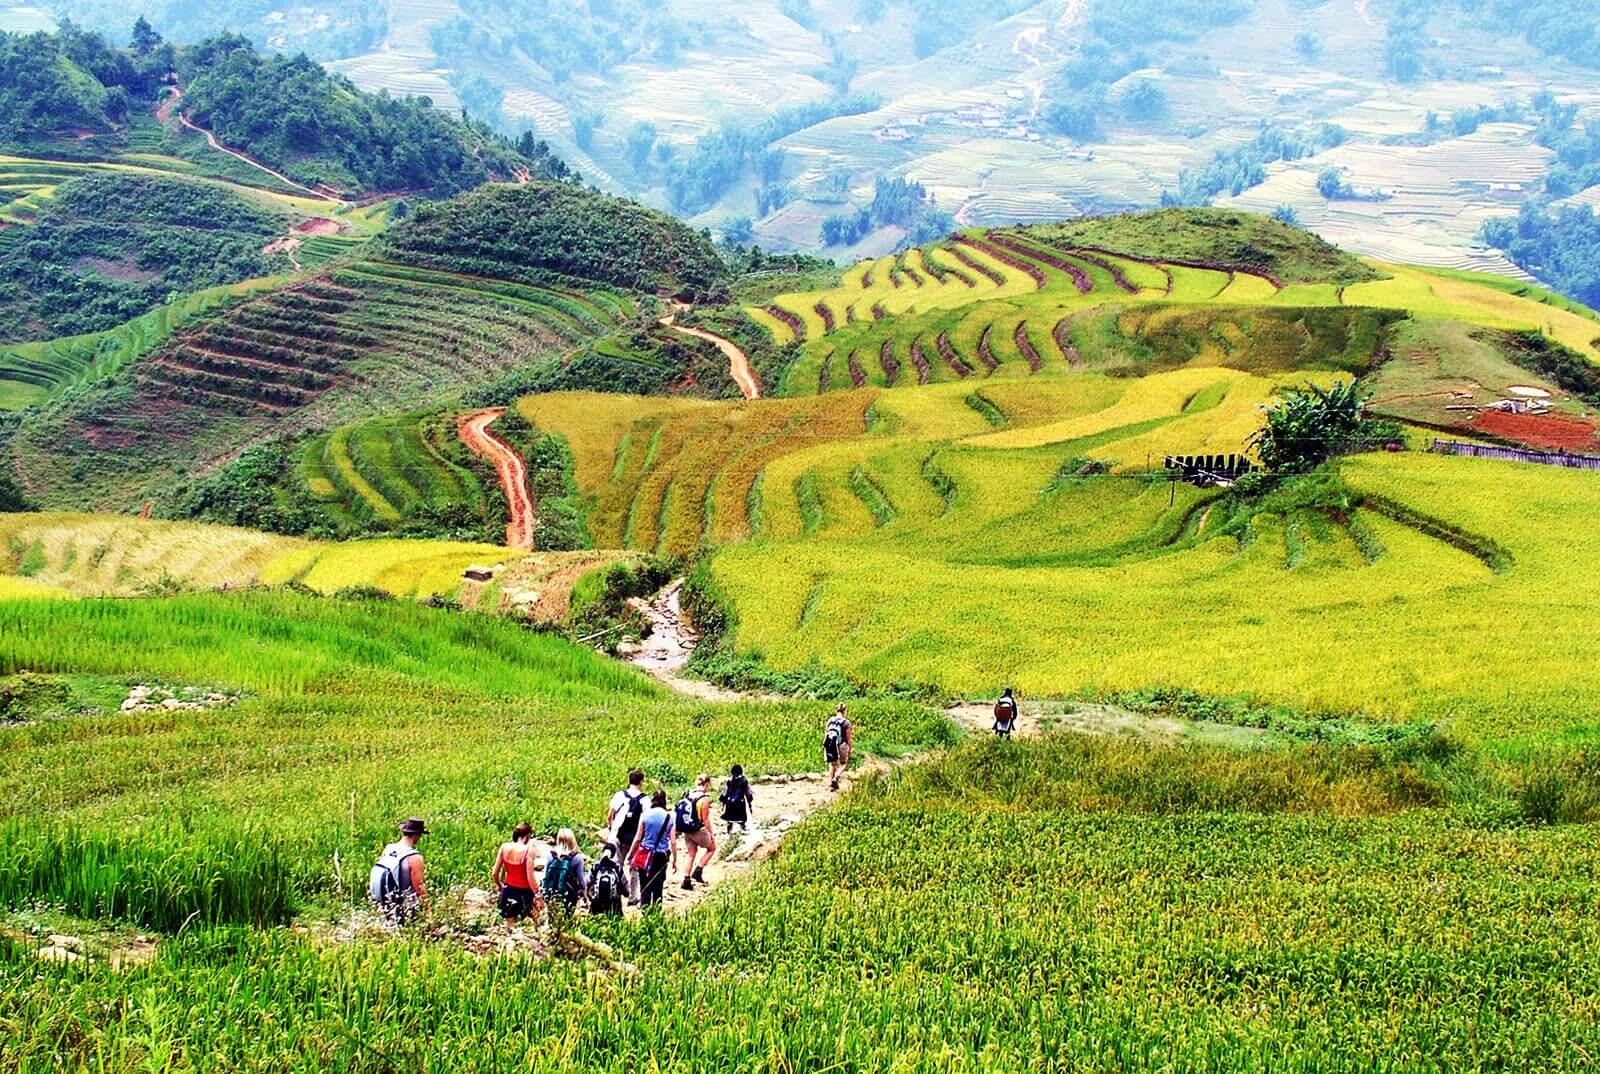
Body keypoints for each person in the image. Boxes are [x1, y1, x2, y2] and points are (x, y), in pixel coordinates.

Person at [368, 817, 428, 924]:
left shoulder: (389, 848)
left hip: (381, 897)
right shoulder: (414, 857)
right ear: (417, 835)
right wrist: (428, 911)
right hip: (400, 901)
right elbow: (418, 887)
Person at [606, 768, 647, 905]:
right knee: (634, 867)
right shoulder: (645, 799)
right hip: (635, 838)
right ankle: (633, 896)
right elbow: (646, 820)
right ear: (641, 782)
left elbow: (610, 815)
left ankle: (616, 891)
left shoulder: (620, 795)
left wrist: (611, 829)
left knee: (617, 864)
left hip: (617, 834)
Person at [629, 789, 675, 910]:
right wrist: (675, 860)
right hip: (661, 855)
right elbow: (673, 841)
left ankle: (645, 910)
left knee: (645, 884)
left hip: (645, 853)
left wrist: (631, 854)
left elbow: (638, 838)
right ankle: (656, 910)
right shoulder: (669, 817)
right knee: (658, 884)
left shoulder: (645, 815)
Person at [491, 822, 538, 924]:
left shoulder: (504, 847)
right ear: (528, 836)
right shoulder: (529, 851)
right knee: (530, 925)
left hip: (509, 890)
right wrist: (538, 894)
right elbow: (530, 878)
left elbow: (495, 872)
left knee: (510, 927)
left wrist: (499, 885)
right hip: (525, 893)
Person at [675, 774, 716, 890]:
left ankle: (686, 879)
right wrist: (711, 833)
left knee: (691, 854)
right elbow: (705, 818)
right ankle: (698, 870)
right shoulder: (704, 799)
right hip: (698, 829)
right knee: (712, 848)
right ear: (707, 784)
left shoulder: (688, 794)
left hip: (686, 829)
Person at [542, 828, 588, 917]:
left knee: (552, 918)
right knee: (567, 917)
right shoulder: (577, 858)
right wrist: (585, 897)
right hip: (569, 895)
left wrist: (543, 892)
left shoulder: (551, 855)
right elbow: (582, 881)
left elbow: (545, 876)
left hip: (551, 893)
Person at [588, 839, 626, 917]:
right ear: (614, 854)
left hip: (597, 904)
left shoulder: (596, 867)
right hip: (614, 905)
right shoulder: (617, 868)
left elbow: (587, 882)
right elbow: (626, 890)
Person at [824, 703, 853, 791]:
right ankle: (835, 777)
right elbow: (848, 738)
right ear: (845, 711)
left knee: (832, 763)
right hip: (841, 744)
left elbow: (826, 732)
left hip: (829, 742)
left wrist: (824, 745)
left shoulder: (830, 720)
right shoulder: (846, 722)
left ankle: (830, 783)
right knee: (843, 764)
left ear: (836, 710)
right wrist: (850, 749)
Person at [719, 764, 754, 834]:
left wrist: (723, 801)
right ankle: (743, 828)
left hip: (730, 804)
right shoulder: (744, 781)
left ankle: (729, 831)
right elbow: (748, 792)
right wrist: (750, 802)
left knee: (729, 818)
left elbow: (725, 792)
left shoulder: (729, 781)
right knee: (741, 818)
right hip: (739, 803)